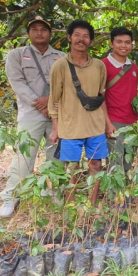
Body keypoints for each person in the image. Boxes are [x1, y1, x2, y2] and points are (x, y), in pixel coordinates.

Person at [0, 16, 65, 218]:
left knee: (56, 155)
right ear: (28, 33)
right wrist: (39, 102)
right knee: (23, 156)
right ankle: (11, 197)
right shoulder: (17, 55)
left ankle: (52, 192)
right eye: (35, 29)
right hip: (30, 113)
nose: (39, 33)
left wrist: (50, 102)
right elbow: (17, 82)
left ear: (50, 33)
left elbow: (66, 85)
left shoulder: (61, 56)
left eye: (43, 29)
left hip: (56, 113)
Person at [48, 20, 110, 204]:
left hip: (95, 126)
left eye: (86, 36)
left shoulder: (99, 66)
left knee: (96, 164)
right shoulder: (60, 66)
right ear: (69, 38)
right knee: (72, 167)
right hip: (70, 127)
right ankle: (73, 206)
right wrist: (55, 128)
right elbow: (54, 98)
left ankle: (91, 203)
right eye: (77, 35)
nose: (81, 40)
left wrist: (107, 123)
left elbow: (100, 96)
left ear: (91, 41)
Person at [102, 27, 138, 174]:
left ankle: (124, 195)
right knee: (114, 162)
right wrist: (107, 123)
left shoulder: (133, 66)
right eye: (119, 42)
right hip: (114, 121)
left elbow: (132, 94)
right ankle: (112, 196)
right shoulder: (103, 65)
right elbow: (100, 97)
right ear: (111, 44)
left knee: (128, 160)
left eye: (127, 42)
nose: (124, 46)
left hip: (131, 122)